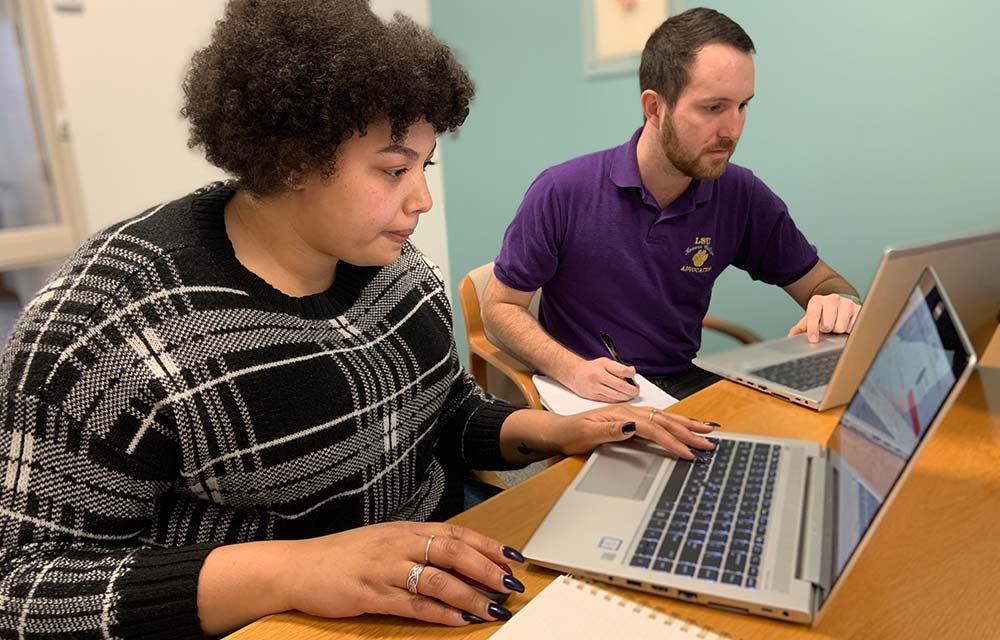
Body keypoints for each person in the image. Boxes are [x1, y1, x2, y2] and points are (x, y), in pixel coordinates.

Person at [0, 1, 720, 637]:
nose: (421, 203)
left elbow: (436, 413)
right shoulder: (104, 327)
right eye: (391, 170)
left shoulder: (388, 264)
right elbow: (21, 589)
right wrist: (294, 570)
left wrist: (553, 431)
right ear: (291, 159)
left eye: (425, 170)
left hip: (443, 569)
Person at [483, 7, 862, 403]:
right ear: (654, 107)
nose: (732, 130)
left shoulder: (740, 193)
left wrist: (839, 303)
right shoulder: (562, 191)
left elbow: (826, 283)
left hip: (682, 388)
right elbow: (499, 308)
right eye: (713, 108)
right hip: (586, 397)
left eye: (742, 106)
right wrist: (570, 368)